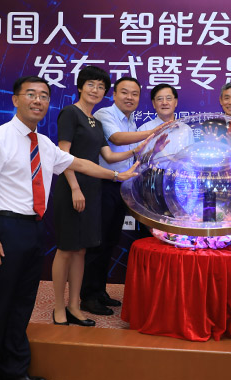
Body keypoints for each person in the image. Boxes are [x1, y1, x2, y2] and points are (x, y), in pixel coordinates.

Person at [0, 76, 138, 380]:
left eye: (44, 96)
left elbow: (81, 164)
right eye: (31, 94)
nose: (38, 101)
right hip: (5, 227)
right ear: (15, 99)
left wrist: (118, 174)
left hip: (35, 227)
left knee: (23, 302)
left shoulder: (44, 143)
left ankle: (15, 368)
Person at [51, 67, 151, 326]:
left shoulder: (94, 120)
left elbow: (108, 156)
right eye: (91, 85)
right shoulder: (71, 113)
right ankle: (65, 306)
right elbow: (63, 156)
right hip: (75, 187)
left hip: (95, 186)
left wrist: (137, 152)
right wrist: (75, 188)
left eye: (100, 87)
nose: (95, 90)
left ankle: (79, 302)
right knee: (68, 249)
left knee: (86, 248)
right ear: (80, 86)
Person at [81, 77, 163, 316]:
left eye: (135, 94)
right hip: (103, 184)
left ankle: (99, 291)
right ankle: (88, 296)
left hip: (122, 185)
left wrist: (153, 149)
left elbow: (132, 153)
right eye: (125, 92)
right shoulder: (105, 114)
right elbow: (116, 139)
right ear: (114, 94)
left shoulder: (131, 120)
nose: (130, 97)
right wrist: (154, 131)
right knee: (98, 242)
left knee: (110, 241)